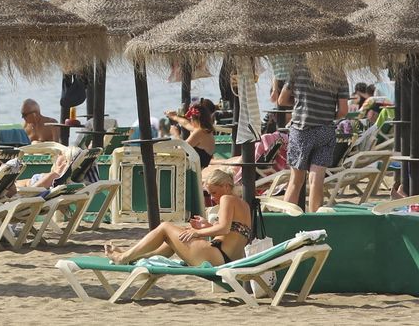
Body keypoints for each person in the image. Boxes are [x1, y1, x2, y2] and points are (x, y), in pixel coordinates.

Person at [105, 166, 253, 265]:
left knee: (165, 227)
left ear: (226, 186)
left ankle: (124, 257)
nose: (212, 197)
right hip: (227, 258)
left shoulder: (227, 199)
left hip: (216, 256)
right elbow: (232, 233)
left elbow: (224, 228)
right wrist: (206, 226)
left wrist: (197, 232)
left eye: (214, 192)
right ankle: (132, 256)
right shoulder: (243, 205)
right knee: (175, 237)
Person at [278, 58, 348, 212]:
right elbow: (343, 110)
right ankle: (315, 218)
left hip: (301, 130)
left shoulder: (298, 68)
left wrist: (299, 103)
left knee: (296, 181)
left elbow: (281, 100)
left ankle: (288, 218)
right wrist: (328, 115)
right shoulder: (339, 73)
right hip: (325, 130)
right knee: (317, 180)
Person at [166, 98, 218, 167]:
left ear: (194, 119)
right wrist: (174, 117)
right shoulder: (205, 130)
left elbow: (180, 150)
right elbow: (186, 124)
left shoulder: (199, 132)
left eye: (191, 119)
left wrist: (176, 135)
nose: (190, 121)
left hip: (195, 172)